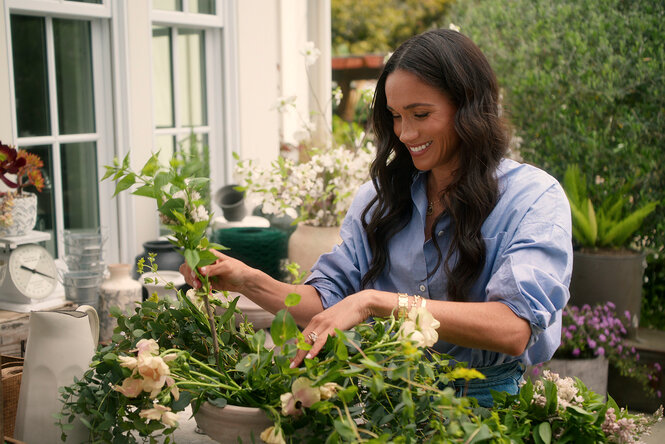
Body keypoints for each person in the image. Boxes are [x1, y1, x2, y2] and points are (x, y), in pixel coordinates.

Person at [180, 28, 573, 408]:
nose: (404, 133)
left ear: (469, 107)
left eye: (420, 114)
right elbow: (326, 302)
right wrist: (247, 279)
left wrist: (375, 302)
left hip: (486, 413)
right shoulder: (381, 200)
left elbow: (513, 329)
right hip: (386, 405)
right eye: (395, 116)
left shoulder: (533, 198)